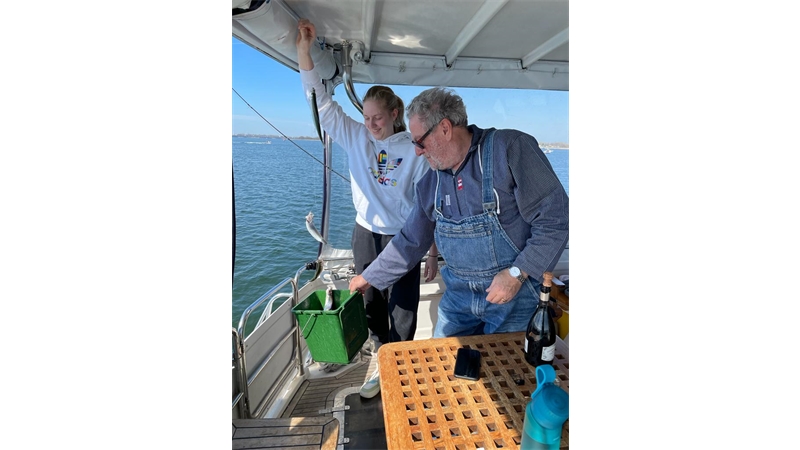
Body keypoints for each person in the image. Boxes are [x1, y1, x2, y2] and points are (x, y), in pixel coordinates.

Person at [349, 87, 569, 338]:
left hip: (513, 297)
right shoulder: (432, 180)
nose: (417, 151)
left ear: (445, 128)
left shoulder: (509, 149)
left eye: (420, 142)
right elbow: (411, 240)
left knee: (509, 362)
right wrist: (368, 277)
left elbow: (556, 220)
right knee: (443, 360)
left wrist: (517, 274)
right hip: (458, 301)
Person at [295, 19, 438, 398]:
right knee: (371, 300)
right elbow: (321, 102)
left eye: (378, 117)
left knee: (403, 308)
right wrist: (304, 52)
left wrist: (432, 251)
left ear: (394, 113)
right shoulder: (355, 136)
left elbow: (428, 204)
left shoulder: (415, 149)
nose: (371, 124)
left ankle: (398, 363)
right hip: (365, 232)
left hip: (403, 238)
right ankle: (378, 356)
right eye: (366, 117)